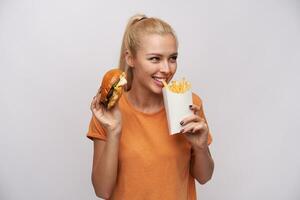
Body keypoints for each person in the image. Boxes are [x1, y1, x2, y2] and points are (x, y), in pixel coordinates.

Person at [86, 14, 214, 200]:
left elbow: (204, 177)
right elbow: (102, 191)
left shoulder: (190, 104)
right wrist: (113, 131)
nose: (167, 69)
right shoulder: (109, 111)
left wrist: (201, 146)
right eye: (155, 59)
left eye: (172, 58)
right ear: (130, 59)